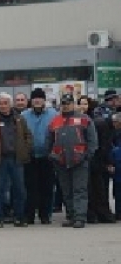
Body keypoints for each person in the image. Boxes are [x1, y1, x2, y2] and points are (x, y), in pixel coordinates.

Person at [47, 93, 97, 229]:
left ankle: (80, 217)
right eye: (63, 103)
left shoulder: (85, 119)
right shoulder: (54, 121)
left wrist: (87, 156)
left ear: (73, 104)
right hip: (60, 161)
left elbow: (92, 141)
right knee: (66, 190)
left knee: (79, 190)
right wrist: (51, 156)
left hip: (80, 160)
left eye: (68, 103)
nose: (66, 105)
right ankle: (70, 216)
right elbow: (49, 140)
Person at [0, 92, 32, 228]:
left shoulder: (19, 118)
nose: (3, 106)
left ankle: (19, 217)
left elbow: (28, 135)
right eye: (0, 103)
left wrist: (25, 149)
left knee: (19, 190)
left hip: (16, 159)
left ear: (10, 104)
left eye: (5, 103)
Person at [21, 88, 57, 225]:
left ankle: (45, 214)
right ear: (31, 100)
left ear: (44, 100)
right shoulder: (24, 115)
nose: (37, 100)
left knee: (47, 187)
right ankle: (29, 214)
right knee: (30, 187)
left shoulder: (53, 114)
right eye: (35, 98)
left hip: (47, 156)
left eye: (40, 98)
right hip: (30, 156)